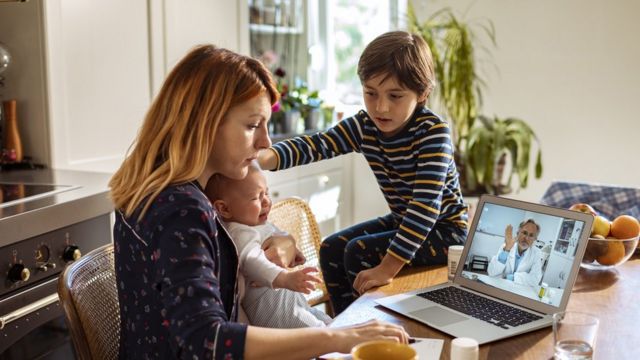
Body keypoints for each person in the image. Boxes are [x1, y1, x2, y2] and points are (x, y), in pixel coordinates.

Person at [109, 44, 408, 359]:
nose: (266, 142)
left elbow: (245, 238)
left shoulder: (154, 189)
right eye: (252, 125)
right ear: (205, 121)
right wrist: (336, 338)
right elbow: (207, 340)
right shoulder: (182, 209)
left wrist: (283, 239)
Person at [258, 31, 468, 314]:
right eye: (371, 93)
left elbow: (424, 209)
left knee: (358, 251)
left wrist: (387, 268)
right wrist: (263, 158)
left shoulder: (433, 134)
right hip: (403, 220)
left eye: (395, 96)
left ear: (423, 94)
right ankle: (344, 325)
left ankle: (368, 325)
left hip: (447, 232)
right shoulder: (364, 125)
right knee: (332, 248)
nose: (381, 107)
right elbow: (318, 144)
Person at [205, 163, 332, 328]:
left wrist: (294, 252)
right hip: (272, 310)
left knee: (330, 324)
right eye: (256, 197)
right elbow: (252, 260)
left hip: (289, 302)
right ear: (224, 208)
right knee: (322, 335)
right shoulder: (238, 231)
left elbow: (275, 235)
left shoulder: (254, 222)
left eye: (266, 193)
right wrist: (284, 278)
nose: (266, 201)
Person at [487, 219, 543, 287]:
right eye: (524, 233)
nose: (526, 238)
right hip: (501, 286)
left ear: (535, 239)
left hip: (519, 290)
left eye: (531, 235)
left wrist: (512, 277)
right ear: (518, 233)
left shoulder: (536, 253)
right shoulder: (506, 246)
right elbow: (491, 272)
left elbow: (535, 279)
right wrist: (507, 249)